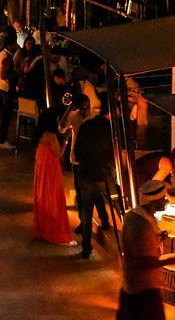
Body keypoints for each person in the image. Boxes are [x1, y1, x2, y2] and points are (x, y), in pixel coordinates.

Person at [117, 180, 170, 320]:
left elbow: (139, 246)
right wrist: (168, 261)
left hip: (134, 286)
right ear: (153, 201)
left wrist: (157, 239)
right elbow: (142, 262)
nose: (166, 201)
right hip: (143, 289)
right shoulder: (141, 224)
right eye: (163, 198)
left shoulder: (136, 216)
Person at [72, 106, 113, 259]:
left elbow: (77, 150)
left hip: (85, 171)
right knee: (97, 193)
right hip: (101, 172)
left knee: (87, 209)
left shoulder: (86, 126)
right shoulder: (110, 129)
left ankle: (86, 247)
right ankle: (105, 220)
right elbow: (112, 151)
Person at [31, 109, 73, 244]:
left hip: (42, 169)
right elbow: (58, 154)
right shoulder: (51, 136)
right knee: (54, 199)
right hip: (50, 170)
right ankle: (55, 233)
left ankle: (43, 229)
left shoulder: (39, 133)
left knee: (43, 198)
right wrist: (66, 140)